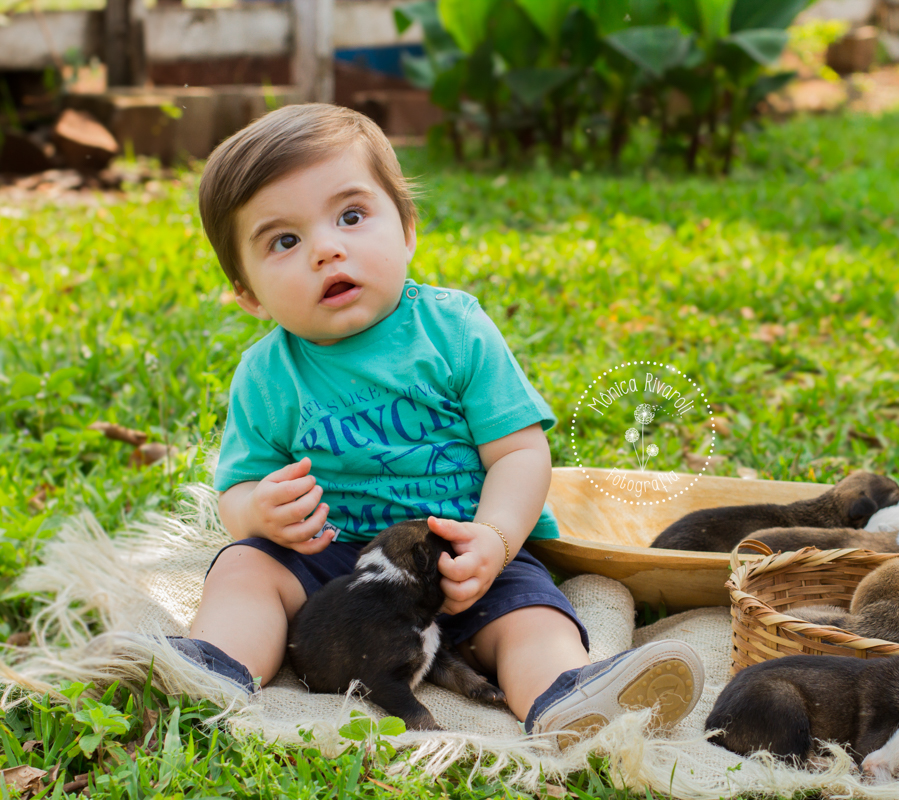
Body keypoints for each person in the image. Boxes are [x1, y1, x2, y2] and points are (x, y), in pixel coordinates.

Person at [175, 103, 703, 741]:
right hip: (338, 571)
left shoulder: (453, 331)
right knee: (243, 569)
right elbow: (236, 493)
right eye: (284, 241)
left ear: (407, 231)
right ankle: (213, 669)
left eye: (351, 216)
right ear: (249, 293)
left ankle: (566, 694)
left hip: (461, 555)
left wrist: (497, 539)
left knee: (532, 615)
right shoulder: (266, 375)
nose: (327, 249)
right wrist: (260, 511)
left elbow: (519, 454)